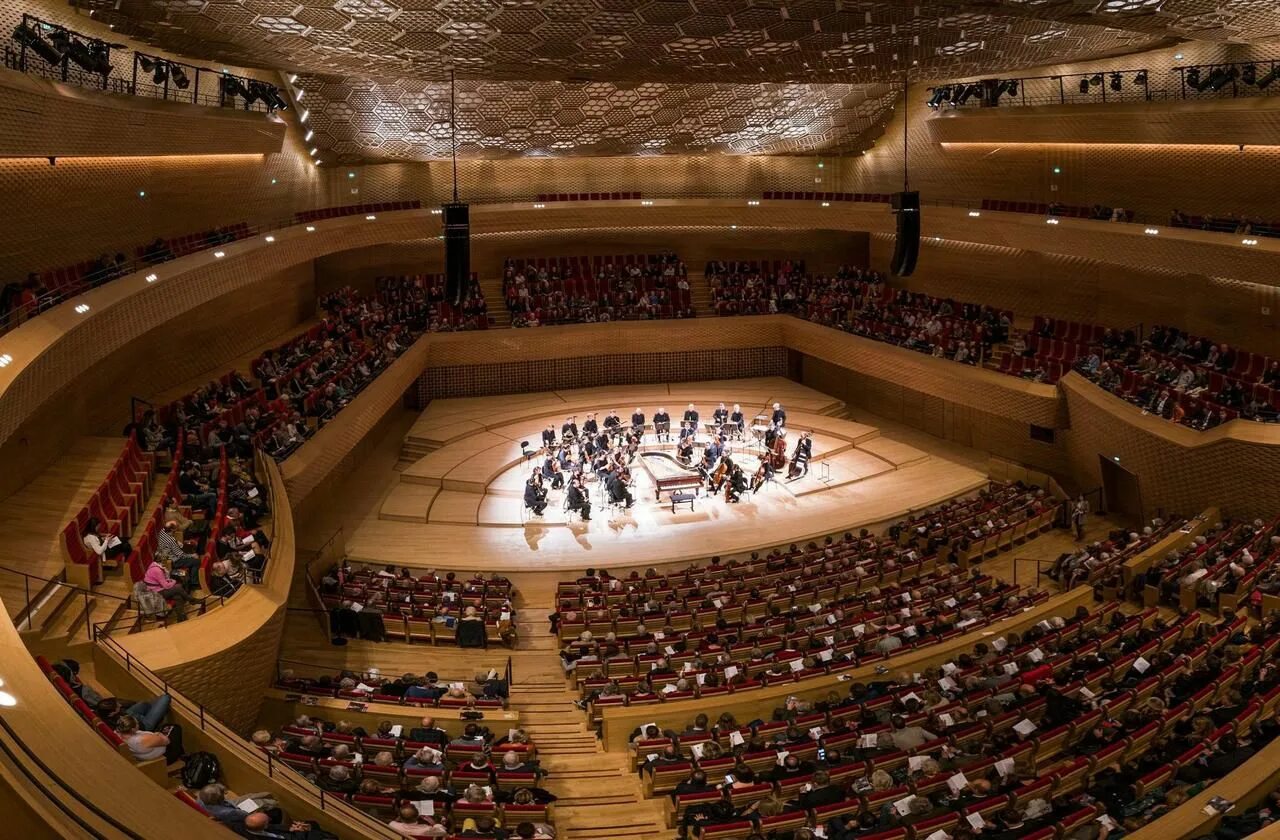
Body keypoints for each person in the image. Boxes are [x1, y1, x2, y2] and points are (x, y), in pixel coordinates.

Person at [143, 555, 200, 621]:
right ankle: (191, 599)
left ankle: (181, 617)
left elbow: (165, 580)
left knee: (178, 596)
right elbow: (166, 586)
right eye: (165, 560)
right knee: (178, 587)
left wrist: (168, 577)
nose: (166, 562)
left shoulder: (156, 566)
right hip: (155, 593)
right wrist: (174, 581)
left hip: (159, 589)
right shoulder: (157, 570)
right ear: (161, 561)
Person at [115, 713, 185, 764]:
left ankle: (181, 751)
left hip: (147, 750)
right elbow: (166, 741)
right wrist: (159, 734)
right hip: (165, 756)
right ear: (133, 729)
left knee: (165, 725)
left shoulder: (117, 733)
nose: (138, 724)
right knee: (176, 728)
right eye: (137, 723)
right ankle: (179, 753)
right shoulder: (142, 739)